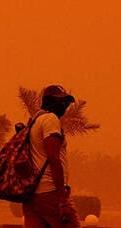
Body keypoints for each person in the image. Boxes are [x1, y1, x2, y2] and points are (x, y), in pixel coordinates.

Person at [24, 84, 80, 228]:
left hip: (32, 195)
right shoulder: (50, 119)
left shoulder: (34, 121)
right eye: (62, 102)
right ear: (51, 102)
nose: (65, 106)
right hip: (50, 192)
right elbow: (54, 159)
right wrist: (62, 198)